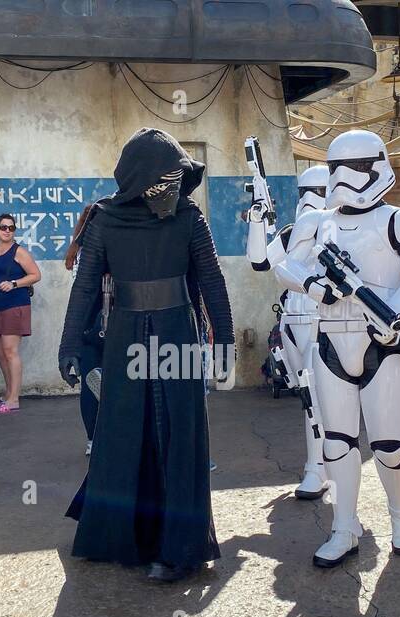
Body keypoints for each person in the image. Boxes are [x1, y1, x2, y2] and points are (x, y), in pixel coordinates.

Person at [57, 128, 234, 583]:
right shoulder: (105, 221)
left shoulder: (189, 219)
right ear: (140, 179)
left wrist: (225, 340)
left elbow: (212, 281)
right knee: (122, 431)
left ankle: (179, 549)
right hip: (125, 336)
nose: (171, 188)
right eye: (163, 178)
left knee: (179, 434)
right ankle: (118, 535)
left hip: (178, 333)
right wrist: (69, 342)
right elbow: (85, 285)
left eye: (177, 177)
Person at [277, 129, 400, 566]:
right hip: (330, 340)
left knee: (389, 446)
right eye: (338, 169)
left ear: (378, 166)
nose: (347, 178)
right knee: (337, 442)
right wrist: (314, 285)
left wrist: (391, 313)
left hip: (380, 343)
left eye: (357, 167)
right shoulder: (317, 221)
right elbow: (286, 265)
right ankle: (344, 525)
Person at [251, 165, 329, 498]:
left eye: (319, 192)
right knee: (309, 400)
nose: (310, 200)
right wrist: (257, 219)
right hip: (293, 322)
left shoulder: (346, 230)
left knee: (323, 400)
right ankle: (319, 467)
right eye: (304, 193)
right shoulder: (291, 232)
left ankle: (320, 467)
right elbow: (259, 262)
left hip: (328, 321)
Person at [0, 213, 41, 415]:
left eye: (11, 228)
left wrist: (14, 284)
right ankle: (8, 393)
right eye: (3, 227)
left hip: (14, 305)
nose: (7, 231)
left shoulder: (18, 252)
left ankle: (13, 399)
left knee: (10, 351)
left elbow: (35, 275)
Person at [65, 203, 106, 456]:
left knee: (90, 384)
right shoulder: (103, 250)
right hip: (108, 323)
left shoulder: (77, 252)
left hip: (85, 327)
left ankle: (93, 438)